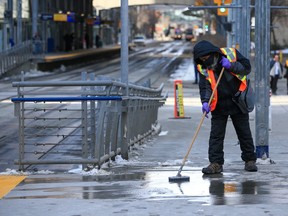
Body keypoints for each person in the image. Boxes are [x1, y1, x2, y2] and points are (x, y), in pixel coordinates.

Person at [193, 40, 257, 174]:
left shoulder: (231, 54)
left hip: (237, 100)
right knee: (216, 135)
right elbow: (205, 87)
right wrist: (205, 102)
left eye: (206, 58)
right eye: (202, 60)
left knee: (244, 133)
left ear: (212, 53)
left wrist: (231, 66)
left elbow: (246, 68)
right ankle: (215, 163)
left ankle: (250, 160)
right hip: (219, 104)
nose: (205, 61)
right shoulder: (203, 67)